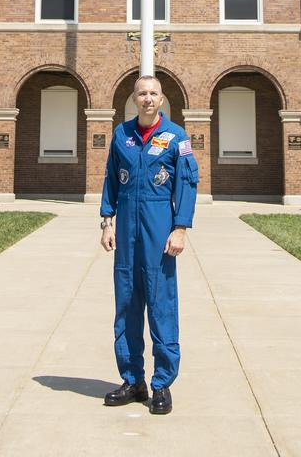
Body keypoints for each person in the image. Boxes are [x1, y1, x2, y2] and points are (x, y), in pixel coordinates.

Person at [99, 74, 199, 416]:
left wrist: (181, 228)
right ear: (134, 98)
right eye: (142, 93)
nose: (148, 98)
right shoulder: (121, 135)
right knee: (126, 303)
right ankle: (133, 380)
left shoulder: (177, 138)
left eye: (153, 93)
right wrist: (106, 221)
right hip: (126, 230)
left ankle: (161, 384)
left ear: (162, 98)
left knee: (160, 304)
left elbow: (187, 184)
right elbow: (111, 179)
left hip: (159, 230)